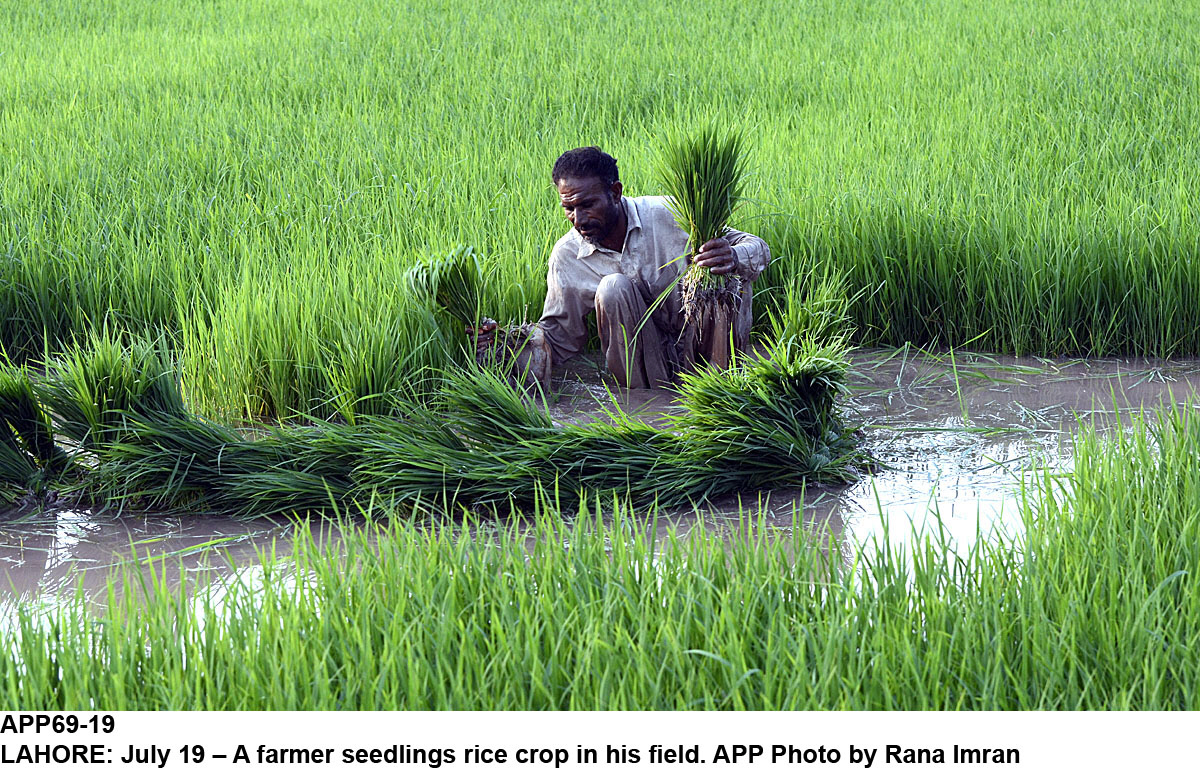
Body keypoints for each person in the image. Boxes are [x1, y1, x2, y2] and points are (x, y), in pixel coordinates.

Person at [480, 146, 770, 390]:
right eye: (568, 208)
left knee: (718, 279)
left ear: (615, 192)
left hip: (706, 347)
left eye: (587, 204)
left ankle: (720, 394)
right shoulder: (567, 255)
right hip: (643, 374)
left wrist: (733, 255)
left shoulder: (671, 214)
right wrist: (507, 344)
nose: (577, 219)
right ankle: (646, 409)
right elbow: (559, 338)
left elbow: (757, 247)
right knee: (612, 287)